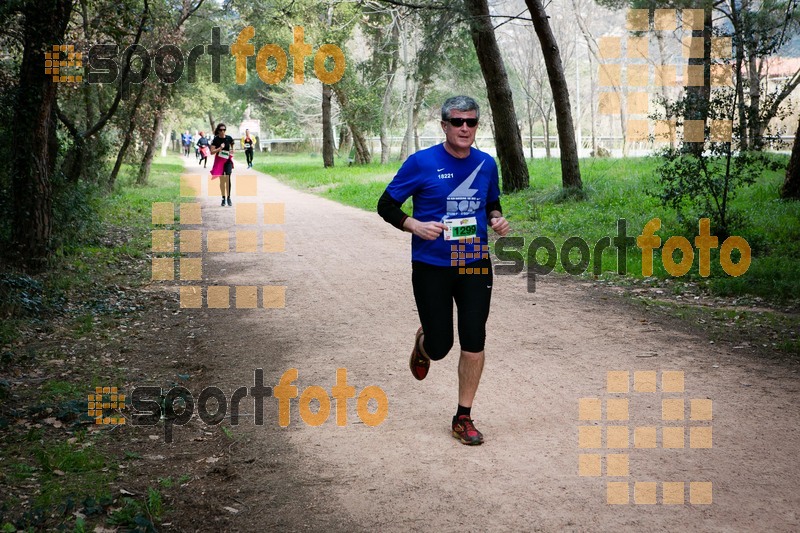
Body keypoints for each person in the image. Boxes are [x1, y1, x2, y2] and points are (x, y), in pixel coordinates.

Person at [377, 96, 510, 446]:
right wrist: (413, 225)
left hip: (474, 262)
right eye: (457, 122)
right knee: (441, 346)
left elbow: (491, 202)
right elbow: (386, 205)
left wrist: (496, 219)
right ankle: (424, 342)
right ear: (444, 125)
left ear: (477, 126)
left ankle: (462, 417)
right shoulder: (421, 163)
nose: (464, 128)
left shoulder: (486, 163)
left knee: (474, 339)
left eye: (471, 122)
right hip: (431, 265)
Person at [210, 123, 235, 206]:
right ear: (218, 130)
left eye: (224, 129)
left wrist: (232, 150)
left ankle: (229, 197)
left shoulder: (229, 138)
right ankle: (223, 198)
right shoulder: (216, 140)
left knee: (227, 177)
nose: (222, 131)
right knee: (222, 180)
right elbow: (211, 152)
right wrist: (219, 148)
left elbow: (232, 143)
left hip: (227, 160)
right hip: (219, 161)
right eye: (221, 130)